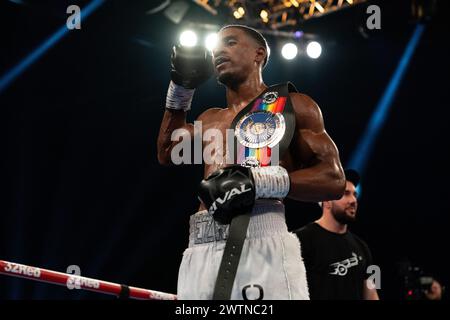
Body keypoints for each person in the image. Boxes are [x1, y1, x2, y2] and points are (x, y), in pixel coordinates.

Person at [157, 24, 345, 300]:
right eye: (214, 48)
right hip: (199, 248)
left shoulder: (291, 105)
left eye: (230, 42)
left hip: (261, 240)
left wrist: (259, 181)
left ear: (259, 54)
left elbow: (333, 180)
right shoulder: (209, 118)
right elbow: (166, 151)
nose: (218, 51)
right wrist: (181, 88)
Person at [295, 169, 379, 300]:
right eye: (346, 194)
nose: (353, 200)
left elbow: (372, 294)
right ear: (327, 201)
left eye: (355, 195)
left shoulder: (362, 247)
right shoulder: (301, 241)